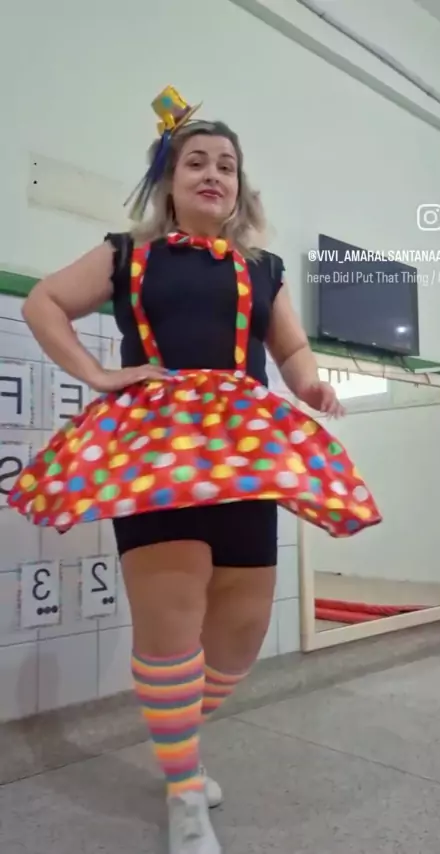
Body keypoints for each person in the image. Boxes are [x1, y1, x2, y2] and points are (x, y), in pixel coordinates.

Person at [9, 86, 381, 854]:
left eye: (226, 166)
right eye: (196, 163)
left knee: (242, 633)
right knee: (171, 622)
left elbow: (290, 347)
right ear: (169, 181)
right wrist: (100, 374)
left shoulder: (263, 267)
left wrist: (309, 383)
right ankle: (183, 787)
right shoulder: (125, 254)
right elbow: (43, 302)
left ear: (240, 186)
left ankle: (174, 738)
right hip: (153, 452)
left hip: (242, 453)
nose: (213, 174)